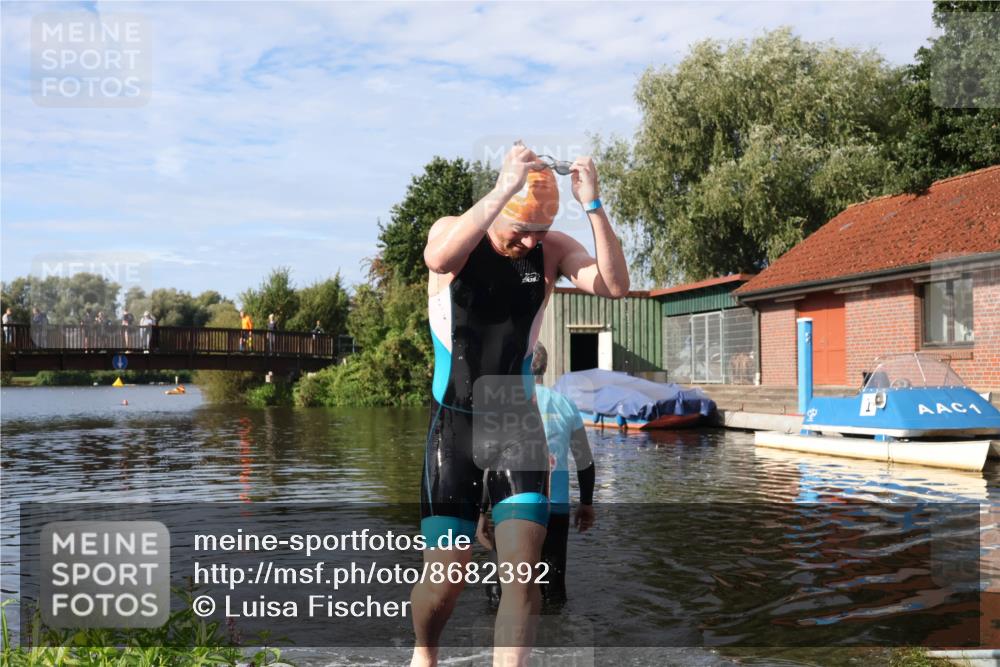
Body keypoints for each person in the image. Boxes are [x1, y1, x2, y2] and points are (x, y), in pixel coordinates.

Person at [411, 140, 629, 667]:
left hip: (516, 419)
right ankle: (425, 654)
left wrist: (594, 204)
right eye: (521, 229)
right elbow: (436, 257)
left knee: (522, 570)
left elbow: (615, 286)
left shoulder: (551, 249)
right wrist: (504, 186)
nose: (529, 241)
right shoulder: (455, 232)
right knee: (448, 577)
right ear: (499, 203)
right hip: (455, 423)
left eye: (539, 230)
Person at [479, 341, 595, 606]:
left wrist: (481, 511)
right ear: (545, 366)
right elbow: (584, 461)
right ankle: (554, 640)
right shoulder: (566, 405)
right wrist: (586, 503)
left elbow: (489, 464)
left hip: (511, 504)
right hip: (555, 506)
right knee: (552, 586)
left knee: (502, 587)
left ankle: (498, 640)